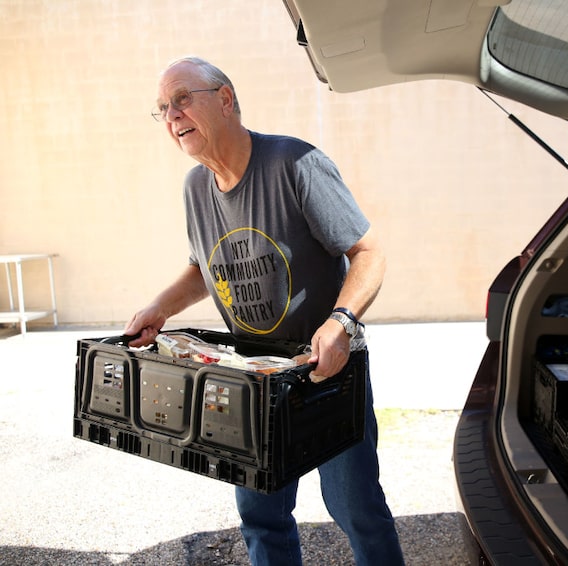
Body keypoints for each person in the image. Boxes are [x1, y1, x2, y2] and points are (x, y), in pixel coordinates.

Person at [125, 56, 405, 566]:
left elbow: (369, 253)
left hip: (325, 374)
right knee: (261, 517)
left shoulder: (294, 163)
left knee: (356, 509)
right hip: (253, 379)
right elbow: (205, 269)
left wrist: (340, 324)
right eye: (163, 107)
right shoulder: (195, 188)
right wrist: (157, 309)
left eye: (183, 99)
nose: (172, 115)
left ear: (225, 99)